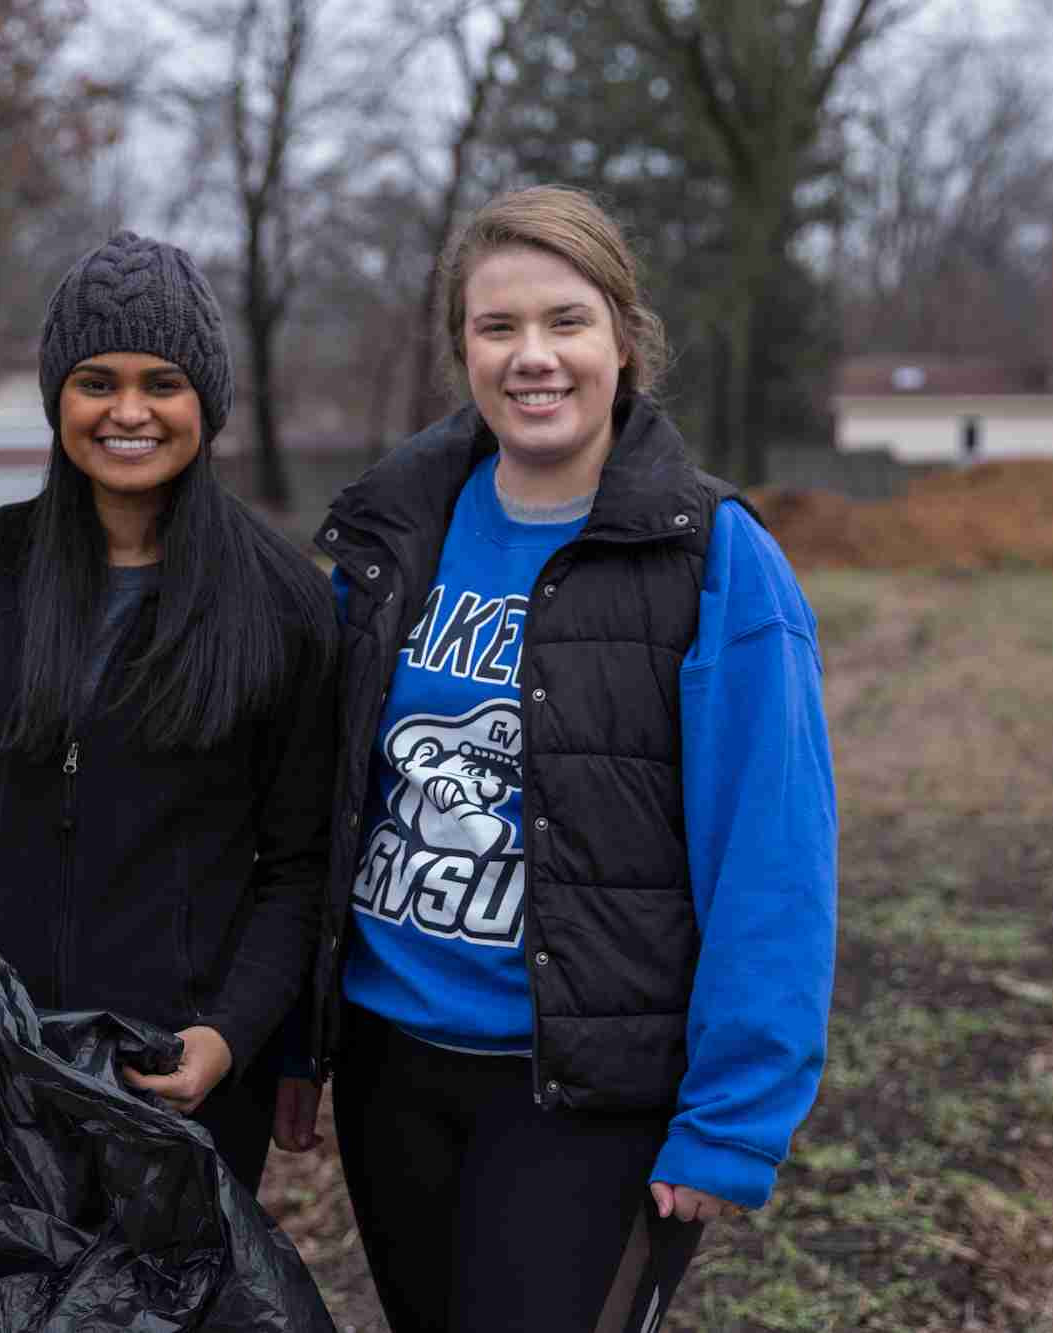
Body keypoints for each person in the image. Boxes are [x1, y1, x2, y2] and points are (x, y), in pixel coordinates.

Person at [274, 186, 837, 1331]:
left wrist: (732, 1115)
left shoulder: (711, 556)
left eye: (566, 322)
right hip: (392, 1070)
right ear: (461, 351)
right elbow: (323, 807)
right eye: (497, 327)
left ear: (623, 340)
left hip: (582, 1089)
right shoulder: (390, 535)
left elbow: (772, 854)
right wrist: (302, 1036)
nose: (533, 357)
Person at [0, 230, 337, 1195]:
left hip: (177, 1078)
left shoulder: (284, 604)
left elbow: (299, 868)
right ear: (59, 400)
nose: (128, 412)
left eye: (161, 383)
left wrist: (228, 1035)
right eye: (96, 381)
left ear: (205, 402)